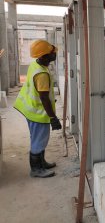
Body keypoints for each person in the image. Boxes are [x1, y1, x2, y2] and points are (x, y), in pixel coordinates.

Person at [14, 40, 62, 178]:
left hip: (30, 110)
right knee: (39, 140)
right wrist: (53, 117)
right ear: (44, 56)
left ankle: (42, 163)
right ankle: (36, 170)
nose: (54, 54)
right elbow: (44, 98)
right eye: (51, 53)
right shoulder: (41, 75)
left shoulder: (36, 64)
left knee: (38, 138)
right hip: (37, 114)